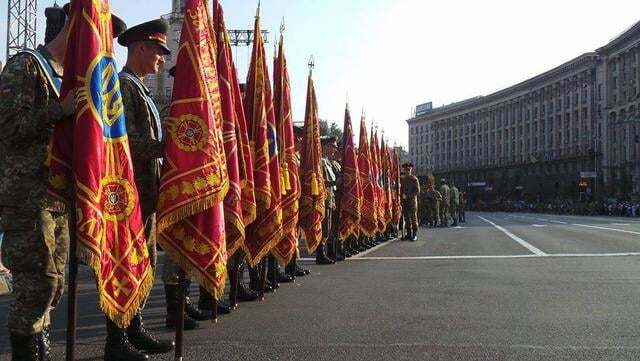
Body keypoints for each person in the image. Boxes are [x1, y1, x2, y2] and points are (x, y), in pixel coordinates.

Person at [0, 5, 125, 360]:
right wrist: (60, 109)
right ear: (75, 27)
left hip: (58, 199)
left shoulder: (73, 77)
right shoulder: (27, 66)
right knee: (36, 286)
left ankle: (40, 351)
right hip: (28, 197)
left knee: (54, 286)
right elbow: (8, 127)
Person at [115, 19, 177, 360]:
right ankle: (118, 338)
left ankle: (134, 328)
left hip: (146, 193)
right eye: (157, 52)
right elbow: (125, 143)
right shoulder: (124, 87)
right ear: (140, 47)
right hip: (130, 195)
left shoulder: (140, 89)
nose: (161, 60)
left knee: (144, 265)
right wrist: (167, 147)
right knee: (126, 266)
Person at [317, 136, 338, 264]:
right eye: (332, 147)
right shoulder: (320, 162)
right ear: (325, 147)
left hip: (329, 198)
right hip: (323, 199)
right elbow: (320, 181)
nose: (334, 150)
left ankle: (325, 252)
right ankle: (320, 254)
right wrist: (334, 182)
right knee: (323, 227)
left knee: (328, 227)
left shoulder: (328, 162)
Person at [400, 163, 421, 241]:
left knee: (413, 218)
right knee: (406, 218)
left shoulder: (414, 179)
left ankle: (414, 234)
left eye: (409, 170)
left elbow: (417, 191)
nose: (407, 171)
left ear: (411, 170)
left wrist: (408, 196)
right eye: (406, 170)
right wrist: (401, 197)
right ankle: (408, 234)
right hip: (405, 202)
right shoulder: (403, 180)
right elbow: (401, 190)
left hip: (412, 201)